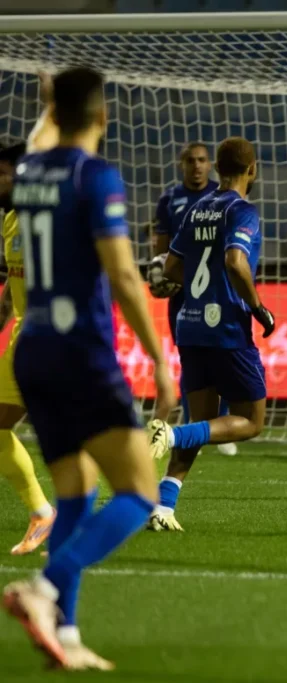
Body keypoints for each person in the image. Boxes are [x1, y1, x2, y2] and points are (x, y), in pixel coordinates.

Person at [1, 67, 174, 671]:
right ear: (103, 116)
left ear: (53, 113)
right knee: (140, 491)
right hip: (80, 350)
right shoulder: (94, 175)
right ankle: (44, 589)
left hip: (32, 348)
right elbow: (123, 273)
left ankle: (67, 636)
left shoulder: (29, 173)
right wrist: (160, 359)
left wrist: (49, 103)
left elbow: (39, 140)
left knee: (76, 494)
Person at [146, 137, 275, 532]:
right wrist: (258, 307)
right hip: (226, 328)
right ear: (252, 169)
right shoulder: (243, 210)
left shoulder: (196, 208)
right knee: (250, 420)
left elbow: (171, 269)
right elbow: (236, 262)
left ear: (217, 168)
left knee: (201, 421)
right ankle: (170, 434)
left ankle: (163, 507)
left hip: (190, 323)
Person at [149, 143, 239, 458]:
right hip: (183, 295)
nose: (196, 165)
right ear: (181, 164)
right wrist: (161, 275)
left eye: (202, 160)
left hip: (215, 293)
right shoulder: (169, 200)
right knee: (192, 362)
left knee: (223, 359)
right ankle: (193, 426)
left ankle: (220, 426)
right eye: (190, 160)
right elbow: (161, 251)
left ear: (210, 164)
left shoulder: (222, 196)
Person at [0, 140, 55, 556]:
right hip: (23, 337)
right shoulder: (10, 220)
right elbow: (11, 287)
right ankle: (43, 512)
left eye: (1, 175)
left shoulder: (46, 219)